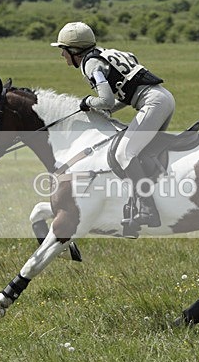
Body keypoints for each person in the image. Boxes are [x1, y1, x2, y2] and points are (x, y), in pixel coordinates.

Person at [51, 21, 175, 233]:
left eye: (63, 50)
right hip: (163, 98)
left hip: (153, 103)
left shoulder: (90, 64)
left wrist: (87, 102)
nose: (62, 55)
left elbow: (106, 99)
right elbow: (126, 91)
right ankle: (140, 202)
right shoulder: (109, 53)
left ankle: (148, 209)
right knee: (142, 152)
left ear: (74, 51)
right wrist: (109, 112)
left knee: (125, 153)